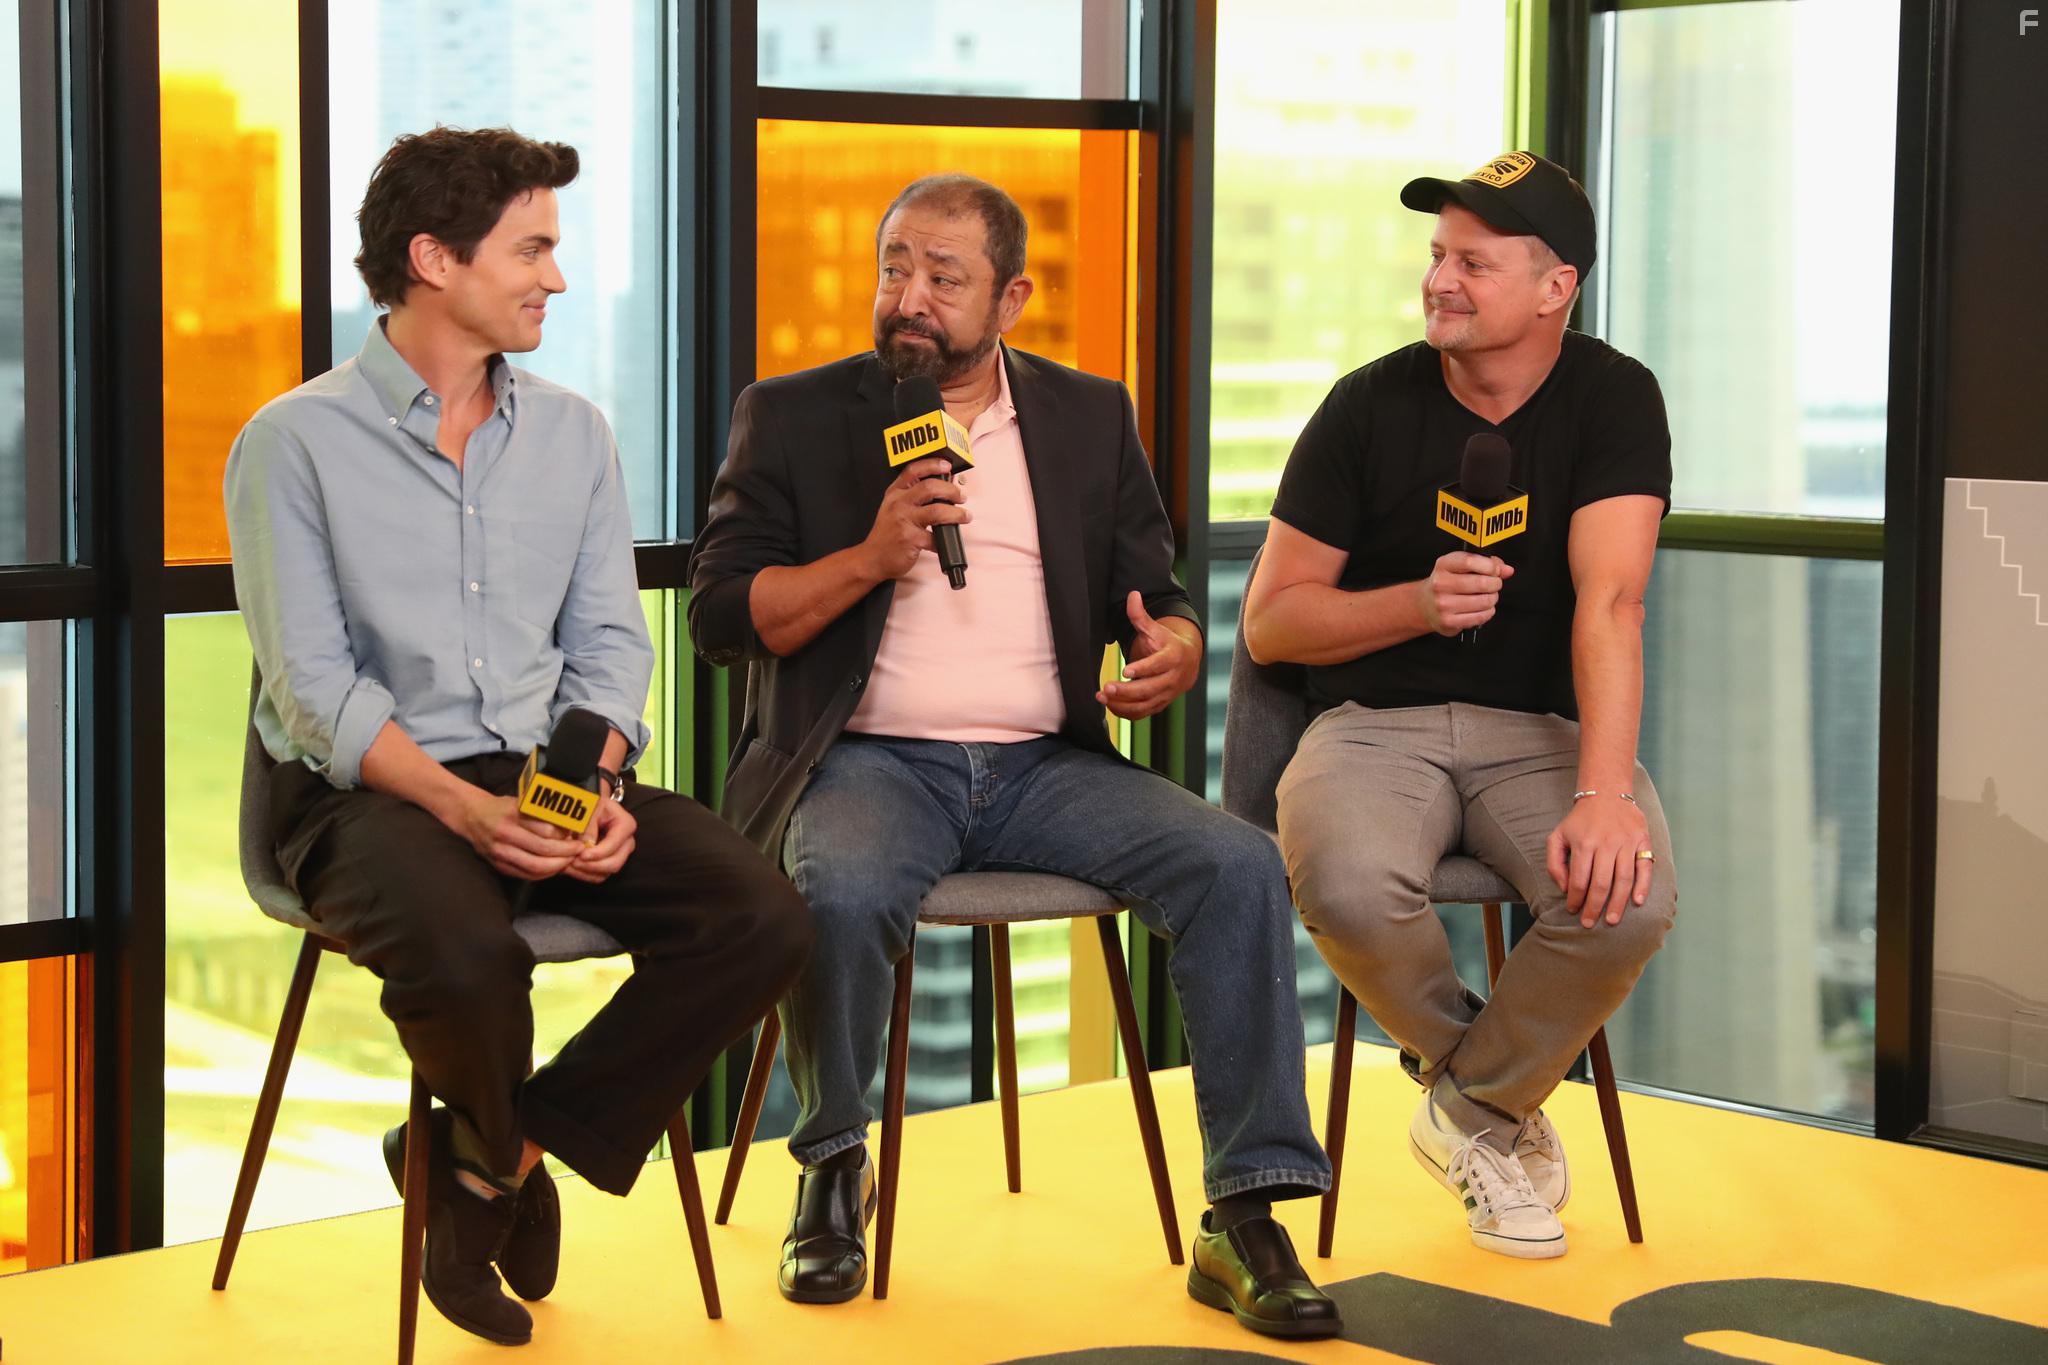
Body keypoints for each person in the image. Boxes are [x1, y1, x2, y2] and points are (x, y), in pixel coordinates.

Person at [689, 173, 1340, 1339]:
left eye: (943, 277)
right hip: (868, 762)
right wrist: (869, 553)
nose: (909, 297)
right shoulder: (788, 415)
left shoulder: (1090, 417)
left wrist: (1174, 650)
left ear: (1011, 297)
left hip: (1050, 768)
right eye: (894, 266)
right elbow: (722, 617)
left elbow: (1162, 591)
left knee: (1237, 866)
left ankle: (1242, 1216)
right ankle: (834, 1167)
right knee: (837, 882)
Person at [224, 127, 811, 1347]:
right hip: (360, 794)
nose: (554, 276)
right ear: (434, 258)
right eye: (531, 249)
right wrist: (464, 810)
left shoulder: (573, 434)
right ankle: (507, 1158)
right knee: (470, 953)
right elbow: (315, 690)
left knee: (760, 914)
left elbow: (608, 646)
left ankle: (487, 1161)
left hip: (538, 768)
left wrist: (585, 789)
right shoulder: (290, 444)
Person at [1242, 151, 1678, 1261]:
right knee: (1342, 880)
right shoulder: (1366, 406)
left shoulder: (1611, 395)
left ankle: (1467, 1116)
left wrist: (1601, 792)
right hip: (1372, 726)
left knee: (1624, 898)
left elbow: (1611, 601)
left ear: (1552, 288)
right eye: (1437, 256)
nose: (1439, 279)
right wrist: (1413, 605)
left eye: (1471, 263)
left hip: (1540, 732)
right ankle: (1493, 1103)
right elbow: (1271, 625)